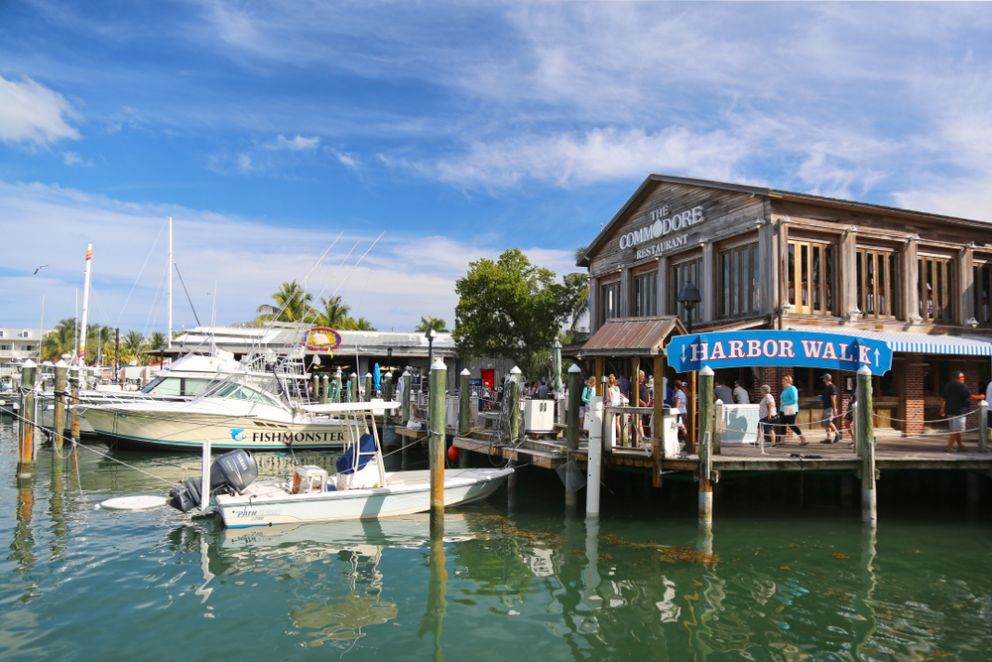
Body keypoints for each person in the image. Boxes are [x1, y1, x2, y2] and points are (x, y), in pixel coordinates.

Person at [941, 371, 973, 452]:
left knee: (954, 430)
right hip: (959, 412)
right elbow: (969, 396)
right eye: (962, 377)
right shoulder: (962, 386)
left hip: (950, 411)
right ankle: (949, 447)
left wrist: (942, 408)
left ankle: (960, 445)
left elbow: (943, 398)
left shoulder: (947, 385)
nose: (963, 378)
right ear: (958, 378)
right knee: (956, 430)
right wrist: (980, 396)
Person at [779, 375, 807, 446]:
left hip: (791, 409)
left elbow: (794, 400)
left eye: (784, 380)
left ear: (788, 381)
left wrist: (785, 403)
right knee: (782, 425)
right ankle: (782, 441)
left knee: (791, 425)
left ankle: (802, 438)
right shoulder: (785, 389)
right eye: (782, 380)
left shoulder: (792, 388)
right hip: (782, 410)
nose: (782, 381)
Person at [819, 373, 840, 443]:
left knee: (828, 422)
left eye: (823, 379)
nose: (823, 380)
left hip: (829, 408)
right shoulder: (826, 388)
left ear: (826, 379)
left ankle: (838, 434)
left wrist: (834, 409)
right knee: (825, 423)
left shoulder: (832, 387)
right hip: (825, 407)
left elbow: (833, 399)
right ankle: (828, 438)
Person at [758, 384, 777, 448]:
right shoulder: (765, 397)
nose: (760, 391)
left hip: (767, 416)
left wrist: (769, 415)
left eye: (761, 390)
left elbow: (770, 406)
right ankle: (757, 442)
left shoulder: (768, 396)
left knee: (770, 429)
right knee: (759, 428)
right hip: (763, 416)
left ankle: (773, 444)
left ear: (764, 391)